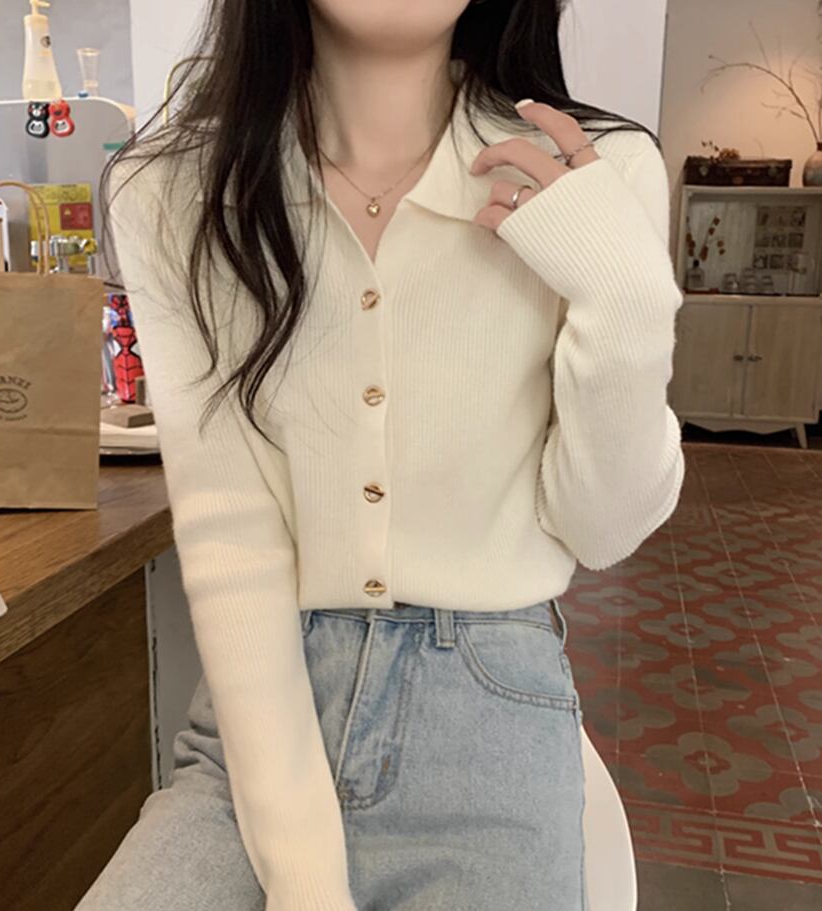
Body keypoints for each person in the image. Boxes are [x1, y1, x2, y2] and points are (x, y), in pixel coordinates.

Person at [78, 1, 685, 909]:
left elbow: (603, 528)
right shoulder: (172, 189)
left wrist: (627, 299)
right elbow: (228, 532)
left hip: (492, 725)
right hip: (258, 731)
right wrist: (306, 881)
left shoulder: (595, 174)